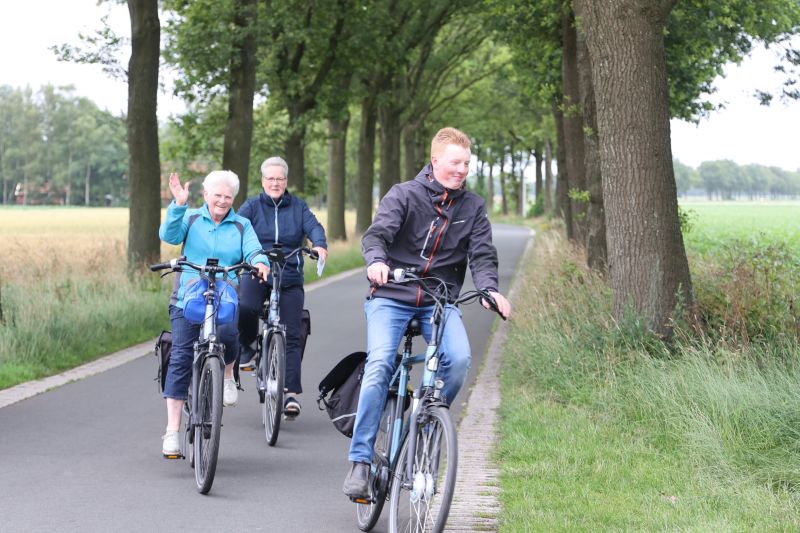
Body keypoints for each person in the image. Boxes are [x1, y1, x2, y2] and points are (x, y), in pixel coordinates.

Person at [342, 127, 512, 499]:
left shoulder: (473, 207)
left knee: (459, 359)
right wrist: (376, 262)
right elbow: (376, 236)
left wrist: (489, 289)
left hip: (439, 300)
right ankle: (360, 461)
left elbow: (483, 254)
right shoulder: (404, 194)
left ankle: (429, 420)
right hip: (392, 294)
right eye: (455, 162)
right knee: (380, 363)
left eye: (466, 163)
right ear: (435, 161)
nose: (461, 170)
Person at [158, 170, 270, 457]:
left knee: (230, 335)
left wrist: (260, 262)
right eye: (217, 195)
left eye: (227, 197)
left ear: (234, 199)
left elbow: (254, 250)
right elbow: (169, 235)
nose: (222, 201)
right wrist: (178, 205)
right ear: (206, 195)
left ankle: (228, 374)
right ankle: (172, 431)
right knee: (181, 356)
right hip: (187, 297)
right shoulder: (191, 218)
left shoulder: (242, 225)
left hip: (224, 296)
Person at [237, 156, 328, 419]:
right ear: (262, 181)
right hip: (257, 272)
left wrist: (319, 244)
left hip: (289, 276)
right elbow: (236, 228)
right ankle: (248, 347)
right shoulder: (252, 206)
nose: (275, 183)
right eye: (270, 179)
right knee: (246, 307)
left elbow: (314, 227)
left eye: (279, 179)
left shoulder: (298, 207)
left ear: (286, 181)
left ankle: (290, 394)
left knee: (292, 333)